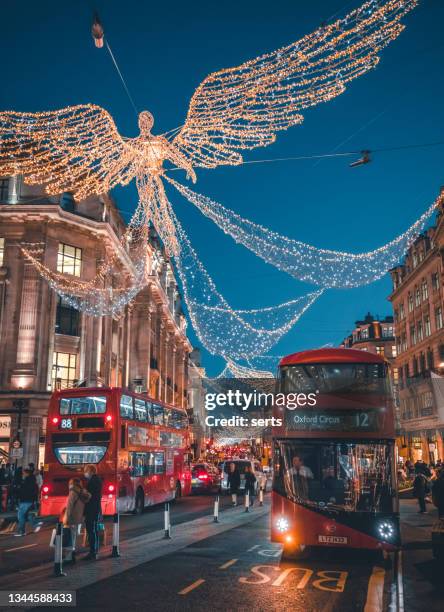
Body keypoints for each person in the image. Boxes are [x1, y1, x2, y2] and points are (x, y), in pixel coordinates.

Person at [62, 478, 91, 563]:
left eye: (70, 483)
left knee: (69, 538)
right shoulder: (83, 492)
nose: (69, 484)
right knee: (73, 537)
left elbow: (69, 507)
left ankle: (69, 558)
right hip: (78, 518)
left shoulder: (73, 492)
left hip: (71, 518)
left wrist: (66, 518)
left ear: (72, 484)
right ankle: (72, 556)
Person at [14, 468, 43, 536]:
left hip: (25, 500)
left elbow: (23, 491)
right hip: (29, 500)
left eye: (24, 473)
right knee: (27, 515)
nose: (23, 474)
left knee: (21, 515)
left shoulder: (27, 481)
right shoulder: (32, 480)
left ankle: (21, 531)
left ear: (27, 473)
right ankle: (35, 523)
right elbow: (35, 491)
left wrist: (18, 490)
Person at [83, 464, 102, 560]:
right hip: (95, 508)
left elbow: (89, 495)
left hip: (91, 508)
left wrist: (83, 492)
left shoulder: (93, 481)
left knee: (91, 530)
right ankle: (94, 550)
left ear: (90, 471)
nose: (84, 473)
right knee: (94, 529)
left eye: (85, 471)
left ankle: (93, 552)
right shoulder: (97, 480)